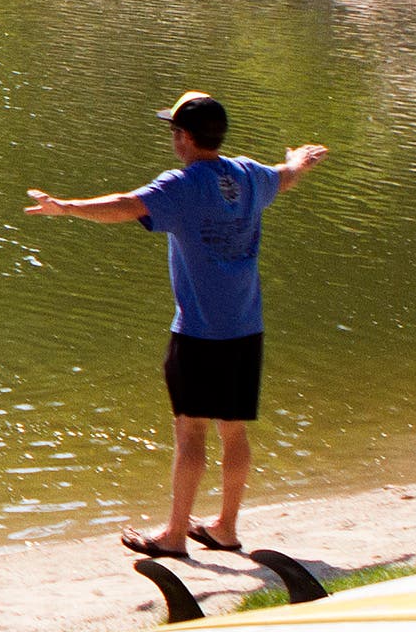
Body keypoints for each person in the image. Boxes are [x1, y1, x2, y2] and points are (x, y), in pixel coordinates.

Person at [25, 91, 327, 558]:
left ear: (184, 137)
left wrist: (65, 207)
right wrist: (298, 161)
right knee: (234, 431)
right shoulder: (248, 175)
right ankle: (225, 528)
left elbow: (125, 204)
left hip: (199, 333)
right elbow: (283, 178)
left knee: (190, 434)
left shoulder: (182, 185)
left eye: (174, 131)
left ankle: (174, 535)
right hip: (246, 326)